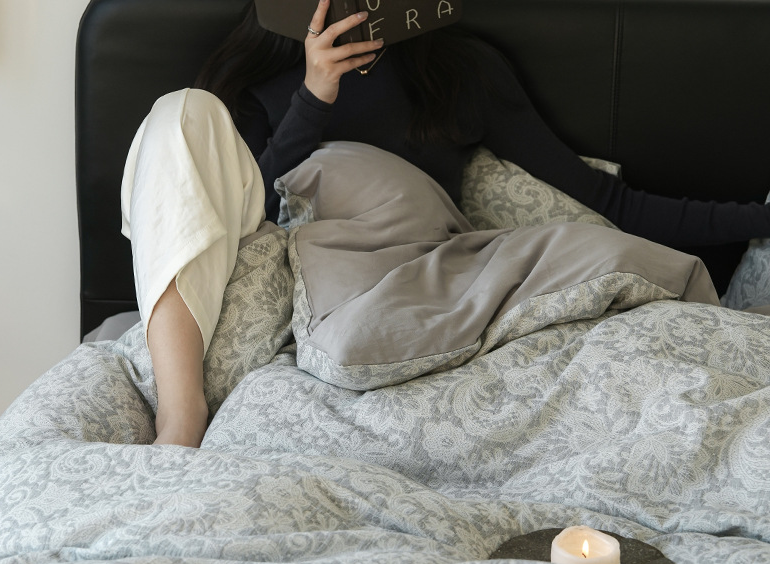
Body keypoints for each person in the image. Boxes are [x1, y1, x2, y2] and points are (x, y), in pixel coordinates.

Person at [121, 0, 770, 448]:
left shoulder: (457, 71)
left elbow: (607, 203)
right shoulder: (250, 73)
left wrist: (761, 218)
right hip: (272, 271)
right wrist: (312, 101)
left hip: (408, 264)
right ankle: (182, 421)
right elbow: (251, 206)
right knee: (179, 111)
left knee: (591, 248)